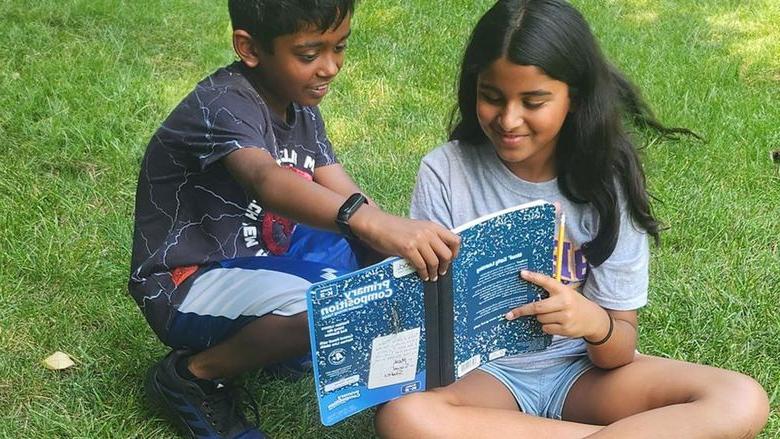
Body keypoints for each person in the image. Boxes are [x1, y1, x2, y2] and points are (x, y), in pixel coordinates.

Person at [374, 1, 770, 438]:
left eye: (534, 101)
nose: (509, 119)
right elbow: (426, 331)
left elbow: (620, 347)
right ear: (474, 90)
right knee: (404, 417)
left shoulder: (606, 180)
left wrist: (594, 323)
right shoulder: (445, 172)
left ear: (573, 98)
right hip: (484, 381)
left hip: (582, 373)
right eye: (492, 97)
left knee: (740, 397)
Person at [129, 1, 460, 438]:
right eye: (309, 54)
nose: (330, 67)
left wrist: (395, 241)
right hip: (187, 281)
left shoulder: (298, 104)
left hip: (258, 258)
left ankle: (282, 349)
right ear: (249, 47)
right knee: (331, 302)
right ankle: (194, 375)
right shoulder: (222, 103)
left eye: (339, 47)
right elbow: (267, 181)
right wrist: (364, 221)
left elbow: (340, 189)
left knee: (368, 259)